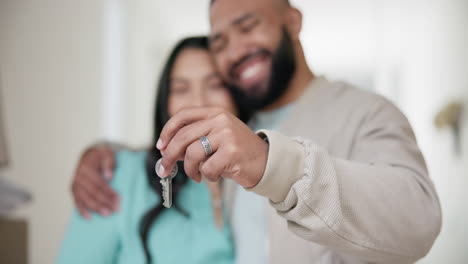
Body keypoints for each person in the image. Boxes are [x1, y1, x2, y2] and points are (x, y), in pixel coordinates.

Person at [71, 0, 442, 263]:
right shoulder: (239, 127)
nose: (235, 51)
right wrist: (105, 152)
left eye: (248, 27)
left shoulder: (366, 112)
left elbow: (418, 220)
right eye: (220, 42)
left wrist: (272, 164)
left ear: (293, 22)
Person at [58, 36, 240, 264]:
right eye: (180, 89)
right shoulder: (119, 174)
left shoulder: (255, 178)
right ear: (165, 102)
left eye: (216, 85)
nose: (198, 102)